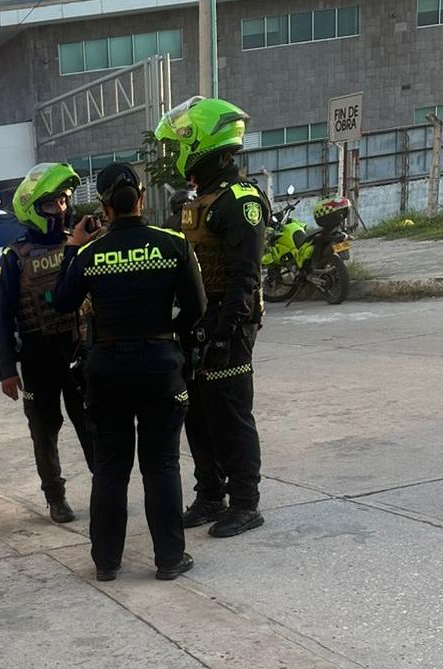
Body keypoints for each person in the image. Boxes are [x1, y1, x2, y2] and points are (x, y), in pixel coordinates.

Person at [49, 162, 207, 581]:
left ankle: (106, 563)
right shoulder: (172, 243)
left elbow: (62, 303)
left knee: (110, 468)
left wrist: (73, 247)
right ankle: (169, 559)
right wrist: (167, 337)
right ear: (141, 198)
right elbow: (197, 307)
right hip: (160, 367)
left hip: (108, 371)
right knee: (162, 464)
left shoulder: (90, 254)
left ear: (104, 208)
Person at [155, 97, 268, 538]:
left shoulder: (240, 201)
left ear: (200, 143)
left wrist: (225, 333)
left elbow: (245, 277)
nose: (175, 153)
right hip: (199, 321)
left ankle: (245, 502)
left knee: (230, 412)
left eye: (180, 143)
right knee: (197, 411)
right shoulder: (200, 200)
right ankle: (210, 494)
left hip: (229, 321)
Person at [0, 163, 95, 524]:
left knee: (91, 423)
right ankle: (56, 497)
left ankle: (106, 487)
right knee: (43, 430)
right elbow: (3, 315)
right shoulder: (13, 257)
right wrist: (7, 369)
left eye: (64, 201)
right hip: (38, 355)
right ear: (32, 209)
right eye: (52, 204)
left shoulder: (78, 244)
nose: (61, 209)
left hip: (79, 349)